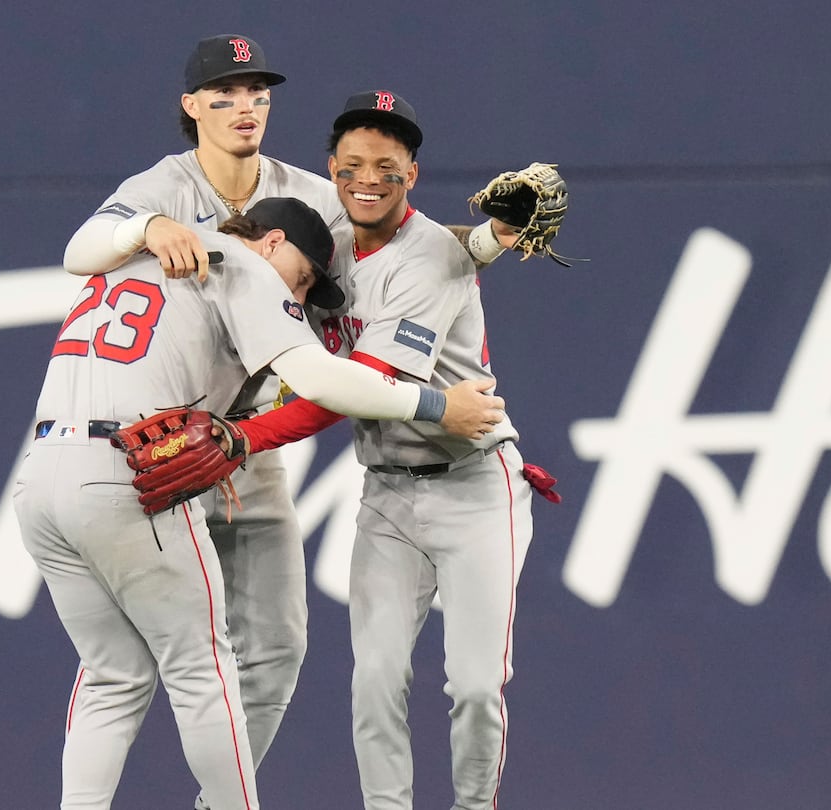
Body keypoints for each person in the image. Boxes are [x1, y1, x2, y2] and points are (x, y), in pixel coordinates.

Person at [61, 36, 524, 810]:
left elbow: (395, 234)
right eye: (225, 92)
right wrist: (142, 230)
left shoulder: (305, 194)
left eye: (257, 92)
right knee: (154, 664)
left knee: (276, 649)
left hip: (248, 447)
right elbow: (81, 250)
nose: (244, 106)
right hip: (167, 450)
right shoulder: (162, 189)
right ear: (192, 106)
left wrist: (479, 243)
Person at [234, 91, 538, 809]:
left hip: (473, 485)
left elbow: (357, 389)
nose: (369, 178)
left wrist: (236, 440)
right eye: (354, 165)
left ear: (413, 174)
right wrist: (489, 239)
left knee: (473, 686)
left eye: (388, 166)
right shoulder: (329, 230)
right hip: (388, 493)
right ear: (331, 169)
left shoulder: (426, 259)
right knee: (373, 681)